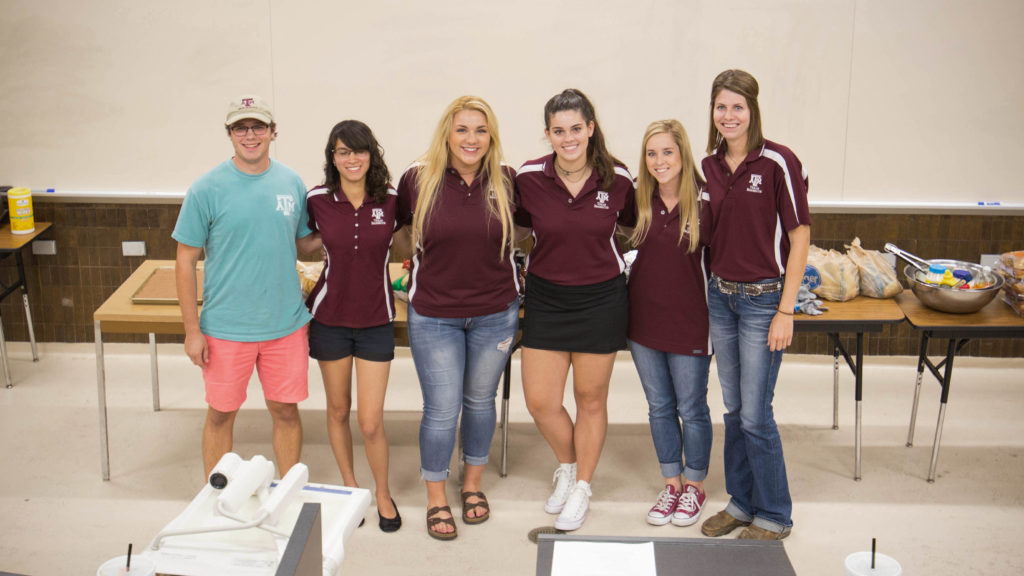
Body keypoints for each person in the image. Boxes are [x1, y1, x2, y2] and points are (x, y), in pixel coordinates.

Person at [173, 95, 320, 479]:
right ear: (230, 135)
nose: (250, 135)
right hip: (226, 328)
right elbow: (185, 261)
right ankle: (213, 497)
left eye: (258, 127)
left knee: (286, 411)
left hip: (285, 325)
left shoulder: (291, 182)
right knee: (221, 414)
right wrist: (192, 330)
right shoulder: (206, 188)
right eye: (241, 127)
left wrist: (354, 224)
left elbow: (305, 243)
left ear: (273, 132)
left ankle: (288, 490)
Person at [395, 95, 519, 541]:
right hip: (435, 315)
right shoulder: (416, 178)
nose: (471, 139)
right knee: (443, 410)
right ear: (446, 133)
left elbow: (525, 232)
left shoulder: (506, 180)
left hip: (495, 313)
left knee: (480, 404)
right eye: (462, 129)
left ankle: (471, 486)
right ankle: (435, 496)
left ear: (492, 137)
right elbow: (393, 233)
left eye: (481, 130)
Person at [514, 88, 635, 531]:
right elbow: (521, 233)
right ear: (548, 133)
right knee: (541, 401)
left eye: (576, 129)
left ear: (590, 129)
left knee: (590, 399)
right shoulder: (527, 177)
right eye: (559, 131)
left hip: (601, 299)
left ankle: (583, 485)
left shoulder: (618, 177)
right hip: (547, 298)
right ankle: (567, 466)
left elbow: (631, 229)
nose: (568, 138)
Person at [698, 69, 811, 540]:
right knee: (732, 408)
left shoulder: (777, 162)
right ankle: (742, 503)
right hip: (721, 298)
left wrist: (786, 310)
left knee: (755, 413)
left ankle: (775, 514)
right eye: (721, 107)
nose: (729, 115)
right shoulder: (708, 166)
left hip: (764, 301)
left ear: (752, 110)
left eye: (737, 107)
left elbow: (801, 236)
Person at [305, 120, 402, 532]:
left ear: (371, 154)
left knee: (371, 421)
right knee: (339, 409)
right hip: (329, 319)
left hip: (377, 319)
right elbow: (301, 242)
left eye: (359, 151)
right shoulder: (317, 199)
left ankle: (382, 492)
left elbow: (413, 239)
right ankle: (350, 487)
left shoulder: (393, 200)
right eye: (342, 152)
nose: (351, 159)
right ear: (333, 157)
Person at [627, 119, 713, 527]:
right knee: (659, 406)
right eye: (651, 153)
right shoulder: (638, 201)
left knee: (692, 409)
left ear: (683, 156)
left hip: (691, 324)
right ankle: (672, 484)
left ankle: (695, 487)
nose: (659, 161)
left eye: (667, 152)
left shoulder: (705, 204)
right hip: (643, 323)